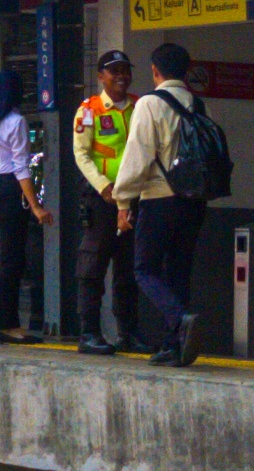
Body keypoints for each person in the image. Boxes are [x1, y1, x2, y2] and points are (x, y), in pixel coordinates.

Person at [111, 38, 226, 367]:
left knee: (144, 269)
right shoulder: (199, 104)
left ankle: (181, 317)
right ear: (186, 71)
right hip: (194, 201)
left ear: (154, 71)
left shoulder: (150, 103)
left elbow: (138, 156)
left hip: (160, 199)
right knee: (178, 270)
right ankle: (172, 346)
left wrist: (123, 201)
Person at [68, 48, 136, 353]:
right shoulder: (89, 109)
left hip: (134, 199)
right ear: (100, 77)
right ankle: (89, 333)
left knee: (129, 269)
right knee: (92, 266)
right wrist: (103, 187)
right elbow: (81, 154)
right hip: (102, 200)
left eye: (125, 70)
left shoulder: (139, 106)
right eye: (114, 71)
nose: (121, 76)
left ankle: (128, 334)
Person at [0, 69, 48, 342]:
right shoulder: (17, 121)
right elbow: (21, 168)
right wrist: (36, 205)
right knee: (12, 262)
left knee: (6, 260)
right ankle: (8, 325)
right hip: (9, 191)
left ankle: (5, 322)